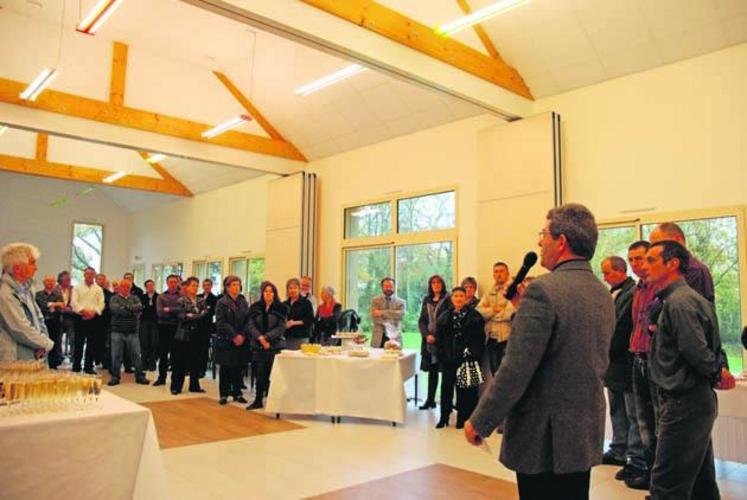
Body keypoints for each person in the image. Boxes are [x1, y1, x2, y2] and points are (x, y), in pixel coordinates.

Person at [465, 203, 615, 500]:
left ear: (561, 242)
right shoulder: (601, 291)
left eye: (543, 234)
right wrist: (524, 311)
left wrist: (481, 420)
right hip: (582, 428)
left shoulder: (544, 290)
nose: (539, 242)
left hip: (545, 436)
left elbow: (516, 368)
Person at [645, 241, 721, 500]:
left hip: (683, 402)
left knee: (667, 486)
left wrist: (715, 372)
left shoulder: (679, 303)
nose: (645, 266)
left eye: (652, 260)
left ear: (673, 263)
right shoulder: (690, 299)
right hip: (694, 401)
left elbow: (696, 351)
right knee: (701, 483)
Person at [599, 256, 646, 482]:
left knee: (632, 412)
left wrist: (608, 349)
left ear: (619, 271)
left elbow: (622, 326)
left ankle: (635, 457)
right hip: (612, 362)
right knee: (616, 408)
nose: (605, 277)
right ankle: (618, 449)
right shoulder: (612, 292)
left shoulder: (632, 291)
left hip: (624, 360)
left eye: (607, 272)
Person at [626, 240, 659, 491]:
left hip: (656, 361)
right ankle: (649, 471)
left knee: (658, 422)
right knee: (643, 421)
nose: (636, 264)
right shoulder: (639, 288)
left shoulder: (661, 287)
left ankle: (660, 477)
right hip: (638, 358)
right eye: (632, 260)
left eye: (640, 258)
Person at [435, 286, 484, 429]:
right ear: (452, 298)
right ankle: (444, 418)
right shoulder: (444, 316)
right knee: (446, 389)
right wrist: (442, 354)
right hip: (448, 359)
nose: (458, 299)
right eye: (455, 296)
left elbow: (479, 338)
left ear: (466, 298)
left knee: (465, 391)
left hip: (466, 359)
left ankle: (463, 419)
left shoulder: (475, 316)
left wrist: (471, 353)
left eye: (461, 296)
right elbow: (440, 339)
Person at [0, 243, 54, 361]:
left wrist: (43, 343)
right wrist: (46, 344)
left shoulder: (27, 289)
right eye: (32, 263)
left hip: (32, 352)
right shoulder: (5, 293)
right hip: (14, 358)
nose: (36, 267)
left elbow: (40, 320)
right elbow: (20, 329)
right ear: (17, 268)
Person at [649, 222, 715, 303]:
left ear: (677, 239)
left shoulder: (694, 270)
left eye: (659, 244)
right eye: (652, 245)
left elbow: (688, 309)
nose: (654, 249)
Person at [246, 281, 287, 410]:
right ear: (262, 293)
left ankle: (272, 400)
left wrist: (268, 337)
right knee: (260, 373)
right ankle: (258, 400)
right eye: (266, 291)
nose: (268, 294)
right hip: (258, 345)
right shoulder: (255, 307)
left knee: (273, 375)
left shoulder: (281, 308)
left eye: (271, 291)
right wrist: (260, 338)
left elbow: (281, 327)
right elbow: (250, 325)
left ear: (274, 294)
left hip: (274, 345)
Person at [215, 275, 250, 405]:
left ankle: (237, 393)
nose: (236, 287)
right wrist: (234, 335)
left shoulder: (243, 302)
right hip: (226, 339)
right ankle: (224, 394)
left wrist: (242, 335)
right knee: (226, 368)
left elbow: (248, 320)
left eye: (238, 284)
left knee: (238, 366)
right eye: (233, 285)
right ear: (227, 287)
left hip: (241, 339)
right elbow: (221, 322)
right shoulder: (221, 302)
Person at [417, 275, 450, 411]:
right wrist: (426, 336)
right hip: (428, 342)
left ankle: (445, 402)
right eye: (433, 283)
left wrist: (437, 336)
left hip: (443, 342)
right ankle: (430, 400)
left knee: (445, 373)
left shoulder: (448, 299)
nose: (436, 285)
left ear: (442, 284)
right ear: (430, 285)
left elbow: (448, 320)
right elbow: (422, 320)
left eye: (438, 282)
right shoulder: (427, 299)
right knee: (432, 372)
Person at [476, 263, 515, 375]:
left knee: (508, 374)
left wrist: (490, 313)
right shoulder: (489, 291)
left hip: (508, 338)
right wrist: (494, 309)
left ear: (507, 273)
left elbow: (510, 313)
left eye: (501, 271)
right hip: (491, 338)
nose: (498, 274)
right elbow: (479, 311)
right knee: (495, 372)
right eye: (496, 271)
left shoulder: (513, 290)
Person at [108, 279, 149, 386]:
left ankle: (139, 376)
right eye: (124, 287)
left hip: (132, 331)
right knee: (116, 355)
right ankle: (115, 377)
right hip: (117, 331)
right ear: (120, 287)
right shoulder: (114, 298)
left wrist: (125, 308)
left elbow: (140, 307)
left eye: (128, 287)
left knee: (136, 354)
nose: (126, 289)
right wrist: (132, 311)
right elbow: (115, 310)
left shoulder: (135, 298)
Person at [171, 277, 207, 395]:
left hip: (197, 334)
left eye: (197, 285)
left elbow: (205, 315)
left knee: (195, 361)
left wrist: (193, 315)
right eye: (193, 285)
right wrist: (196, 315)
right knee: (180, 362)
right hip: (183, 335)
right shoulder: (181, 301)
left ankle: (194, 385)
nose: (195, 288)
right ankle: (176, 386)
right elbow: (183, 316)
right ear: (187, 287)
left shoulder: (201, 301)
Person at [71, 266, 105, 374]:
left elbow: (101, 303)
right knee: (78, 343)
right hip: (80, 317)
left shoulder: (98, 289)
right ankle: (76, 366)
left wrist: (94, 312)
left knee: (92, 344)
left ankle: (88, 367)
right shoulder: (77, 287)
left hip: (94, 319)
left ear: (94, 275)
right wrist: (83, 311)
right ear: (84, 275)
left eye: (92, 274)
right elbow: (74, 302)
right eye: (88, 274)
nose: (90, 275)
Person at [154, 274, 181, 386]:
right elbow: (160, 313)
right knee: (163, 354)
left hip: (177, 327)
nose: (173, 284)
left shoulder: (182, 296)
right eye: (170, 282)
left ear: (178, 283)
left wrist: (169, 309)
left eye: (175, 282)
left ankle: (175, 381)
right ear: (167, 283)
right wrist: (175, 311)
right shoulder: (161, 296)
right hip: (163, 327)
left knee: (176, 355)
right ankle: (161, 378)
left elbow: (182, 311)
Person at [35, 275, 64, 368]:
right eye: (48, 281)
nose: (50, 283)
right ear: (44, 282)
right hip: (43, 322)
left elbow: (62, 307)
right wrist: (55, 304)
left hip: (55, 322)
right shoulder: (38, 294)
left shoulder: (58, 295)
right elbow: (42, 305)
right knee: (43, 342)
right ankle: (43, 363)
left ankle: (53, 364)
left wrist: (52, 305)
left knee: (55, 343)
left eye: (52, 281)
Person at [370, 277, 406, 348]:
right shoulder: (375, 300)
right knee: (377, 358)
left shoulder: (401, 302)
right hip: (379, 337)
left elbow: (400, 316)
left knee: (394, 357)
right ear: (382, 287)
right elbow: (374, 317)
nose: (389, 288)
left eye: (391, 286)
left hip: (395, 337)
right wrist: (393, 315)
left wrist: (382, 312)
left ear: (394, 287)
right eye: (386, 286)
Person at [283, 278, 314, 350]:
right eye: (290, 288)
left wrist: (294, 323)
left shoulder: (306, 303)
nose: (292, 290)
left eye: (295, 288)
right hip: (287, 337)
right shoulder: (284, 304)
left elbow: (310, 319)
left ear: (299, 289)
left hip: (301, 337)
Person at [198, 279, 218, 376]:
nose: (206, 287)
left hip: (206, 326)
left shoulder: (214, 299)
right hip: (196, 325)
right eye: (205, 285)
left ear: (211, 286)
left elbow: (213, 312)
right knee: (196, 348)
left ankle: (202, 369)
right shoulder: (198, 297)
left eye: (208, 285)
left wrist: (206, 311)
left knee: (204, 348)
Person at [139, 279, 159, 371]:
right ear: (146, 288)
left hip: (155, 323)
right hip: (144, 322)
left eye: (152, 285)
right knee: (144, 343)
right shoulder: (142, 297)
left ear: (154, 286)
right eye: (148, 286)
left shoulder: (159, 297)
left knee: (153, 343)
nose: (150, 287)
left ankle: (152, 364)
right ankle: (144, 363)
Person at [56, 270, 75, 362]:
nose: (69, 281)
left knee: (73, 338)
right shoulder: (55, 289)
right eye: (67, 279)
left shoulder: (73, 289)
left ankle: (73, 356)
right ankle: (59, 356)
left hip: (70, 318)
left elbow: (76, 302)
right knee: (58, 338)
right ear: (61, 280)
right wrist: (60, 308)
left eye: (69, 279)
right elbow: (52, 301)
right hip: (58, 317)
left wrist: (70, 309)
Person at [96, 273, 113, 370]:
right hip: (94, 320)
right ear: (96, 280)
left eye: (103, 279)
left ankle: (105, 362)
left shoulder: (109, 294)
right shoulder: (93, 292)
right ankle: (96, 359)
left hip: (106, 321)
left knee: (105, 342)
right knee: (95, 342)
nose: (101, 281)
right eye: (99, 279)